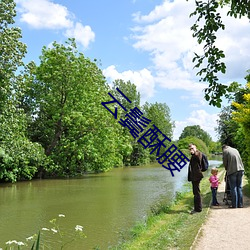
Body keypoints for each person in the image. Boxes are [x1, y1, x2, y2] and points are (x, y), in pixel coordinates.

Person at [188, 143, 204, 214]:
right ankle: (197, 208)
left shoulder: (198, 154)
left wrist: (194, 152)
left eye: (192, 148)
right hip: (195, 176)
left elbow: (198, 158)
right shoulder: (194, 155)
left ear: (195, 148)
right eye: (190, 149)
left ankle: (198, 209)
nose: (191, 150)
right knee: (196, 192)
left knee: (196, 192)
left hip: (196, 176)